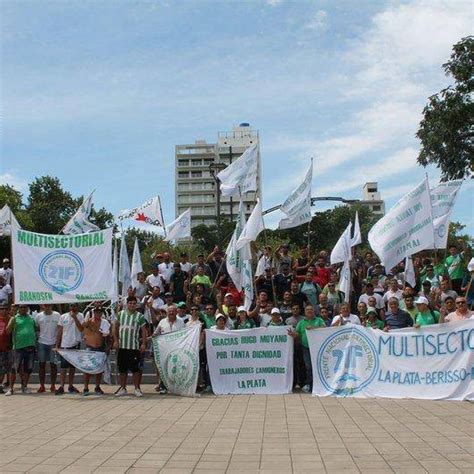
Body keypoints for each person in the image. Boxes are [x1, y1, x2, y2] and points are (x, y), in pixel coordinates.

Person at [114, 297, 147, 397]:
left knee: (135, 369)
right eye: (130, 303)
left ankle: (137, 389)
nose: (132, 305)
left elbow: (143, 331)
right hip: (122, 346)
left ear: (136, 305)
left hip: (134, 346)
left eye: (134, 303)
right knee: (122, 369)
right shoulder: (120, 314)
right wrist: (116, 341)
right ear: (127, 304)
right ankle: (123, 388)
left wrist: (144, 343)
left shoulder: (140, 316)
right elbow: (115, 327)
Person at [289, 305, 325, 393]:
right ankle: (309, 384)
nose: (309, 311)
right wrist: (293, 334)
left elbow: (325, 329)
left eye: (311, 309)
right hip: (306, 348)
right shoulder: (301, 322)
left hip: (318, 348)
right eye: (307, 309)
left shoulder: (319, 320)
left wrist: (314, 329)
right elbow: (297, 334)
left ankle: (318, 384)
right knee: (308, 367)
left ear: (314, 311)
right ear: (305, 312)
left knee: (317, 366)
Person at [79, 307, 111, 395]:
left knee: (99, 369)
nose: (98, 314)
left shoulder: (104, 322)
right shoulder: (88, 322)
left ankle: (97, 387)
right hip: (90, 347)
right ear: (93, 313)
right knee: (87, 368)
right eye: (96, 312)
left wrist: (108, 347)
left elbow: (107, 334)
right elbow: (81, 328)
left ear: (101, 313)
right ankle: (85, 388)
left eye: (99, 312)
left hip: (100, 347)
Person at [6, 304, 36, 395]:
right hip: (18, 347)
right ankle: (11, 389)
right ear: (18, 309)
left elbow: (35, 328)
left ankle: (25, 387)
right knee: (13, 369)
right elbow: (7, 331)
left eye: (25, 307)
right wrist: (11, 321)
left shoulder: (31, 318)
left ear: (27, 308)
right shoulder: (14, 318)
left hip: (30, 346)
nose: (23, 309)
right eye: (21, 307)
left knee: (28, 369)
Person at [55, 303, 84, 395]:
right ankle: (62, 386)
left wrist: (75, 318)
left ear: (77, 306)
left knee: (72, 367)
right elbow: (59, 331)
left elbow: (81, 329)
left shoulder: (81, 315)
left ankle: (70, 385)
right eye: (71, 306)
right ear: (69, 307)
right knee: (63, 367)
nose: (73, 307)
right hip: (65, 345)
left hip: (75, 344)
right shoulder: (63, 316)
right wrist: (57, 345)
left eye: (75, 306)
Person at [34, 304, 60, 393]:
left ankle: (53, 386)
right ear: (43, 306)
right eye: (46, 305)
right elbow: (36, 327)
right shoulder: (38, 316)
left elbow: (60, 328)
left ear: (52, 306)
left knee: (53, 365)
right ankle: (42, 386)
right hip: (42, 342)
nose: (48, 307)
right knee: (42, 365)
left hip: (53, 343)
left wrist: (58, 343)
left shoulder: (57, 315)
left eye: (49, 305)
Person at [0, 303, 12, 394]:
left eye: (5, 309)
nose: (3, 310)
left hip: (6, 347)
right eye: (1, 309)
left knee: (4, 368)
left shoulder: (11, 319)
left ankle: (2, 385)